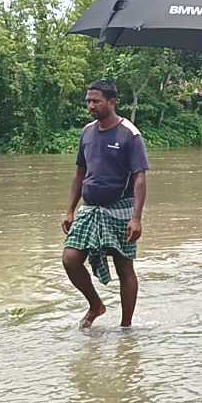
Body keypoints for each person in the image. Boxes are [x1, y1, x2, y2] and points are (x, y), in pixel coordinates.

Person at [62, 80, 148, 329]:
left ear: (112, 102)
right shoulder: (87, 132)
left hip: (120, 208)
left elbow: (139, 177)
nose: (90, 106)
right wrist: (69, 209)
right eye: (88, 101)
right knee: (70, 258)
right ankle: (96, 305)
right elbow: (80, 172)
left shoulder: (129, 134)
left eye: (96, 101)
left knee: (124, 267)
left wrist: (136, 217)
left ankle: (126, 326)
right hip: (90, 209)